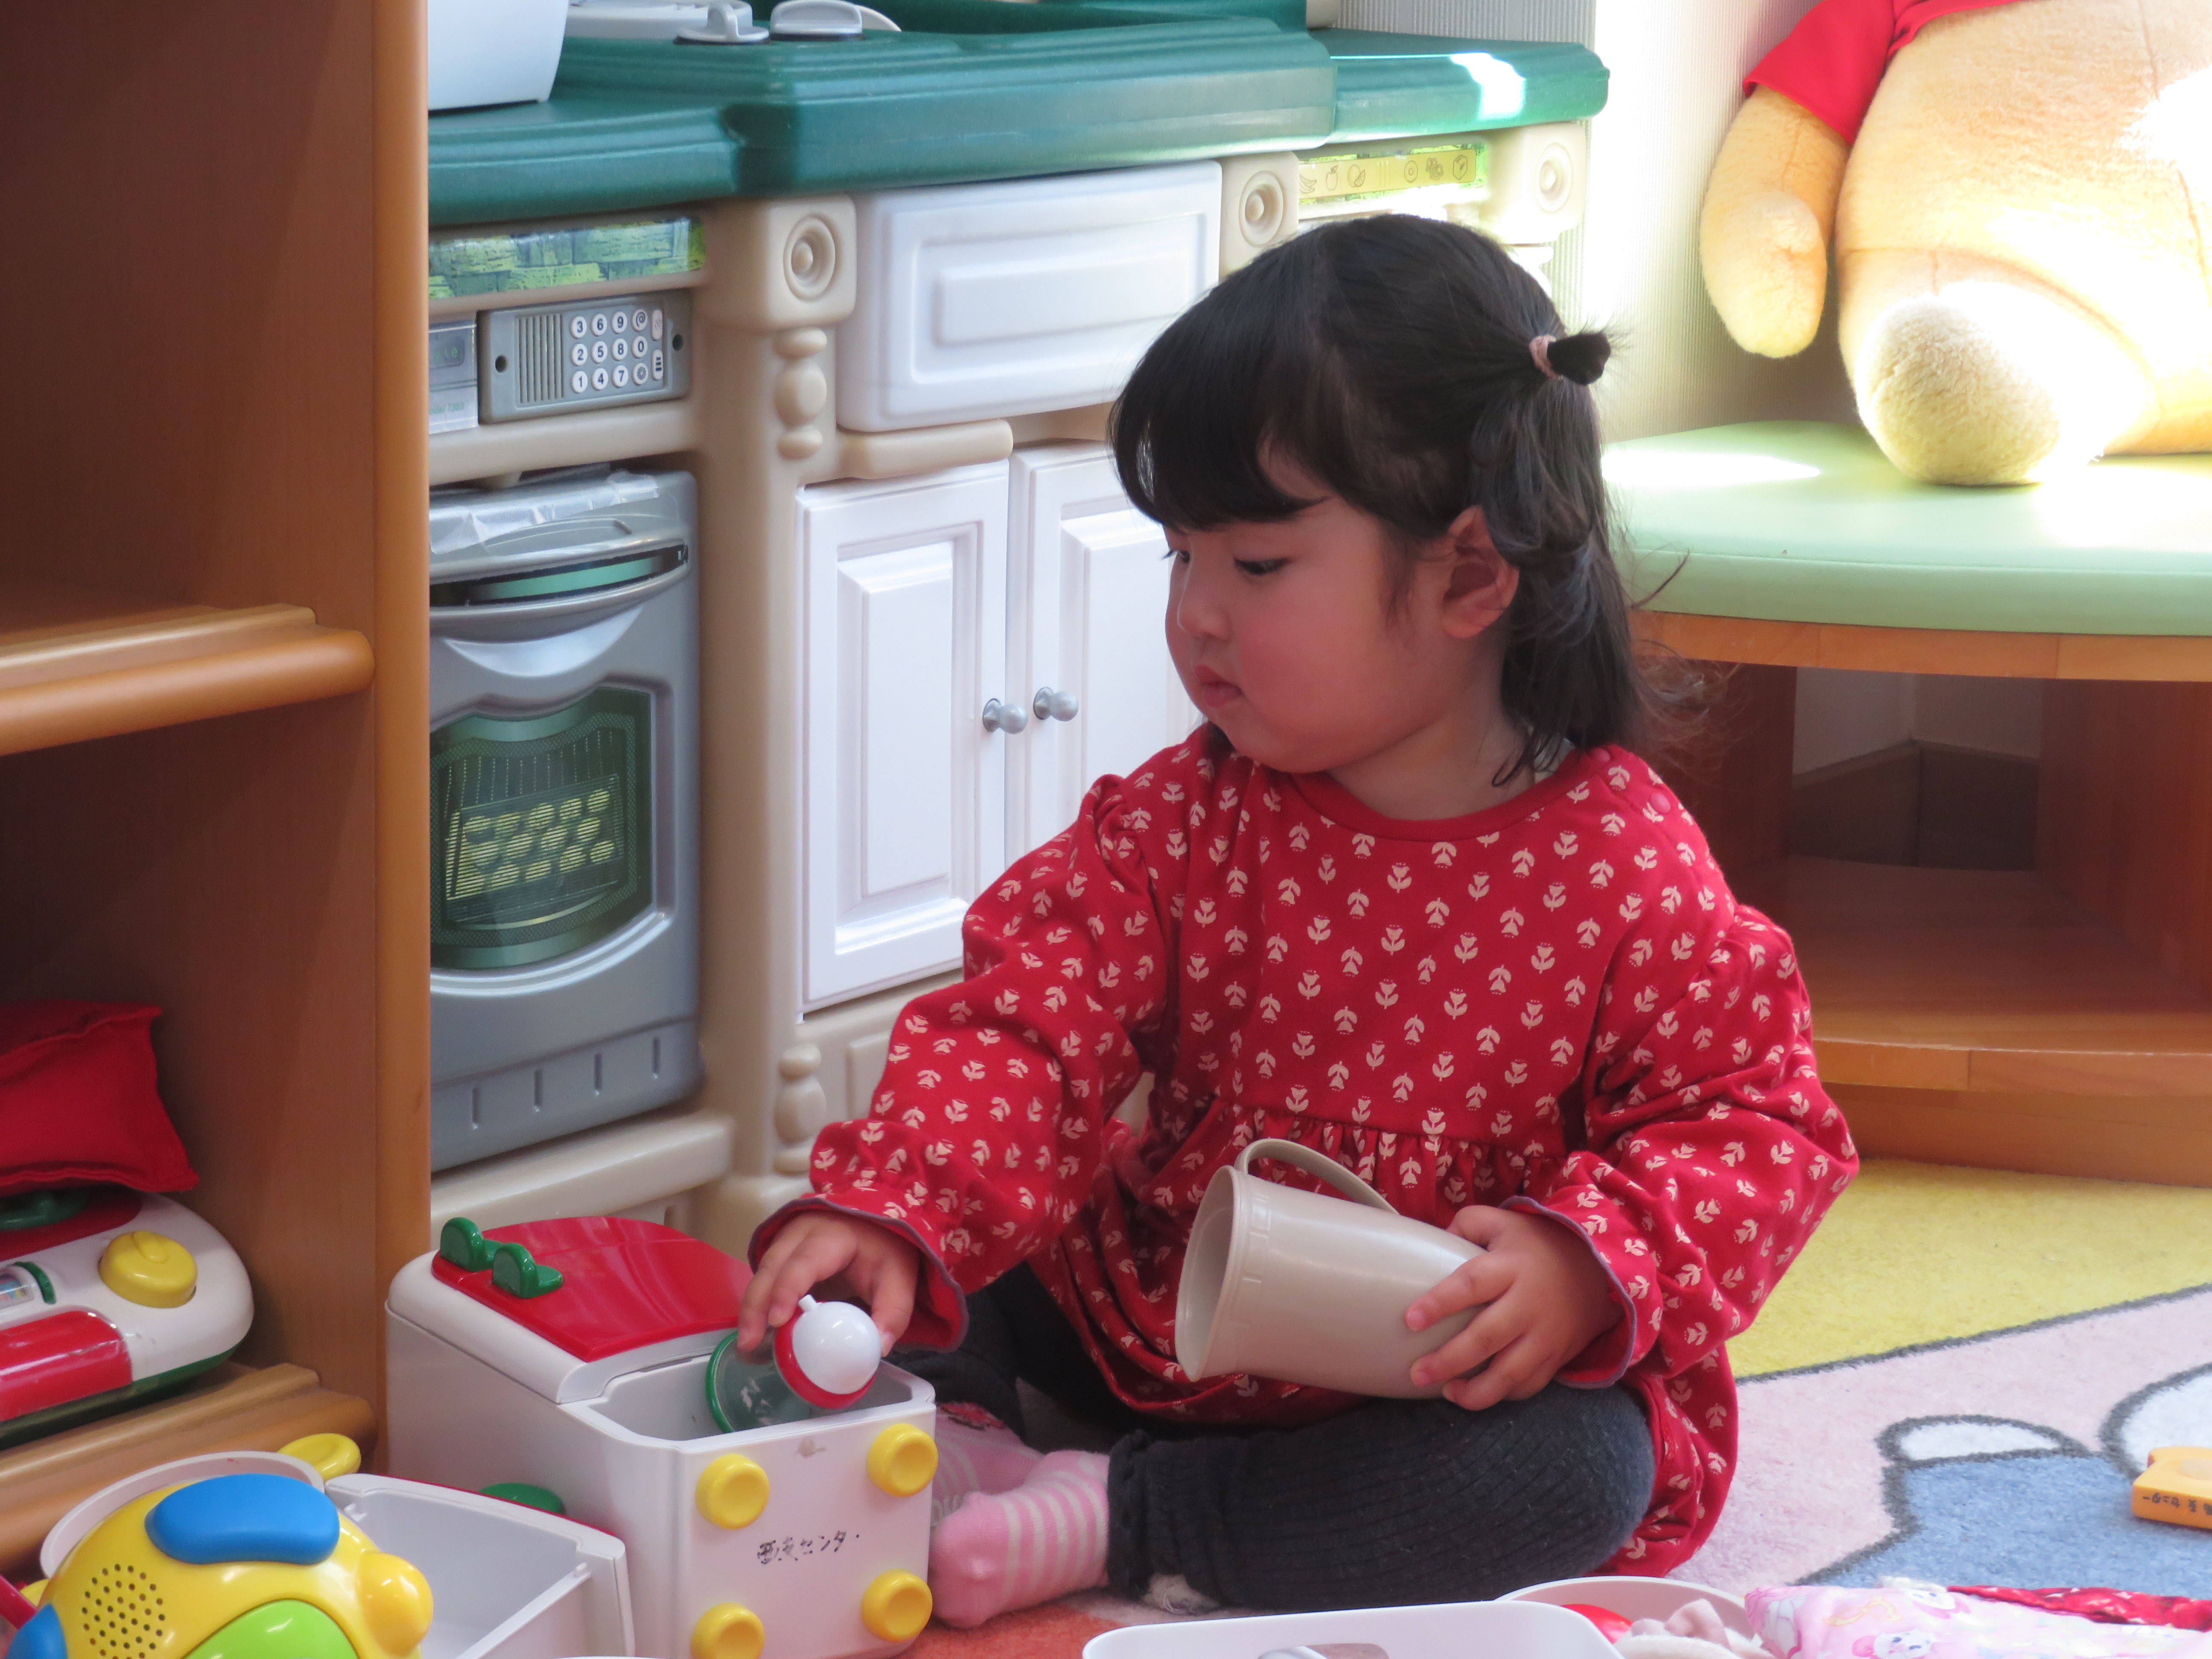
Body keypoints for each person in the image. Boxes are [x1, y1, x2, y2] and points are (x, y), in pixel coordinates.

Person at [735, 214, 1856, 1624]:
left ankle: (1129, 1520)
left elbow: (1756, 1123)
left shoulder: (1624, 866)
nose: (1196, 616)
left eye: (1256, 567)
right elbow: (1024, 1023)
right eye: (1179, 558)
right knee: (930, 1267)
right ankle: (962, 1450)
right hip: (1151, 1323)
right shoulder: (1184, 819)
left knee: (1582, 1474)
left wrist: (1588, 1264)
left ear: (1470, 577)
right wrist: (898, 1208)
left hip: (1423, 1377)